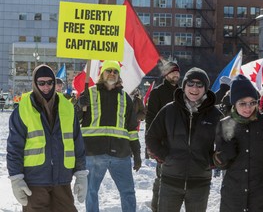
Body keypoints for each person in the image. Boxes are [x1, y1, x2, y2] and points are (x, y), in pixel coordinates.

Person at [6, 64, 88, 211]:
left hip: (62, 179)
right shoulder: (23, 109)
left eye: (50, 82)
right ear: (35, 84)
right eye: (41, 83)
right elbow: (14, 147)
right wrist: (16, 178)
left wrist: (81, 173)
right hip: (35, 181)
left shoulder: (67, 107)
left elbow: (77, 142)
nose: (46, 87)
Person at [146, 67, 223, 212]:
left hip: (200, 183)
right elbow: (151, 137)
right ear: (184, 86)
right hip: (170, 181)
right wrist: (165, 157)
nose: (195, 88)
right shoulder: (169, 110)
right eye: (191, 84)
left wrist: (213, 160)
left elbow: (226, 143)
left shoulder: (215, 115)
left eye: (200, 85)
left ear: (206, 88)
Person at [213, 74, 263, 212]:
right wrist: (222, 156)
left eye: (252, 102)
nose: (248, 108)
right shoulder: (224, 125)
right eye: (242, 103)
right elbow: (219, 163)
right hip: (233, 199)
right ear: (234, 103)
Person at [77, 60, 141, 212]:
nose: (112, 73)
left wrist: (137, 153)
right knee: (91, 192)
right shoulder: (88, 93)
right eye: (109, 70)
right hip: (94, 153)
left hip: (121, 154)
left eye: (115, 71)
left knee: (128, 192)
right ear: (101, 73)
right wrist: (79, 107)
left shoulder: (126, 98)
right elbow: (75, 121)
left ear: (119, 76)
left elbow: (132, 128)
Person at [145, 61, 180, 212]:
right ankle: (156, 208)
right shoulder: (157, 92)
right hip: (163, 142)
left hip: (180, 142)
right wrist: (151, 143)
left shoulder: (183, 92)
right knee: (162, 178)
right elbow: (150, 119)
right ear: (166, 74)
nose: (176, 75)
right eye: (173, 72)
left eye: (177, 72)